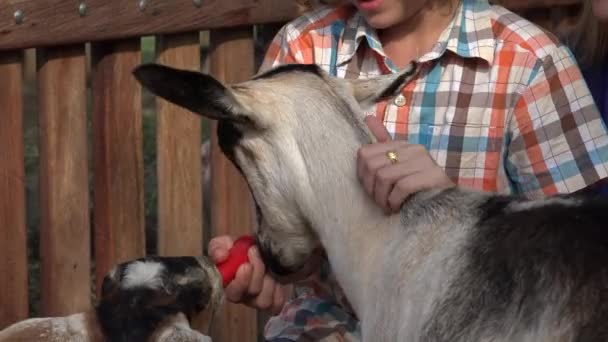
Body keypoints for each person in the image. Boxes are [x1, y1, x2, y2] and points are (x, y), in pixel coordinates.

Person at [208, 0, 608, 340]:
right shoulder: (302, 49)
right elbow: (303, 242)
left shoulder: (527, 59)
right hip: (326, 325)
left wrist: (453, 209)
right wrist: (272, 268)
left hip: (478, 322)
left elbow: (582, 249)